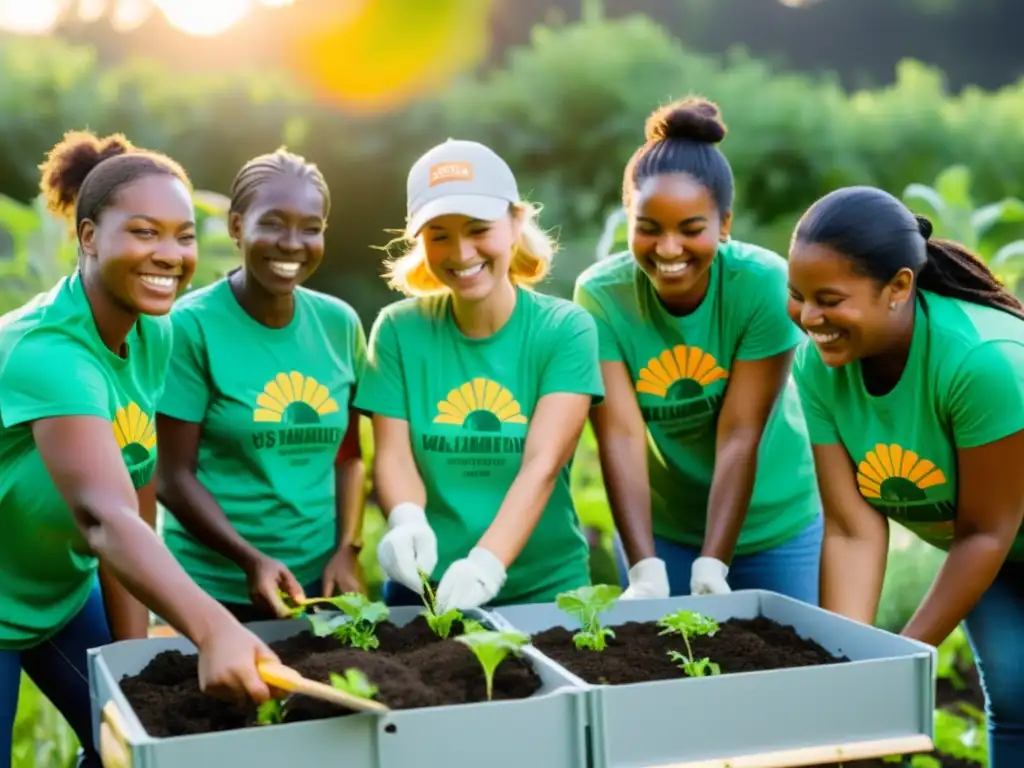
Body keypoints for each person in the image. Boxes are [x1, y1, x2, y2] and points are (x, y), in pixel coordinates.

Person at [0, 131, 278, 768]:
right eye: (145, 232)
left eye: (183, 235)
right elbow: (104, 517)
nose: (171, 254)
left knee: (134, 741)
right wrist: (213, 627)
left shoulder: (155, 333)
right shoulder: (46, 353)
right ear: (90, 235)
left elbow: (136, 481)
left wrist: (134, 668)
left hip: (59, 594)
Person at [787, 185, 1024, 767]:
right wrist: (845, 666)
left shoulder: (980, 360)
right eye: (798, 297)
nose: (810, 318)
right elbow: (851, 529)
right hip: (987, 546)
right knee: (1015, 692)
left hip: (989, 533)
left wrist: (894, 664)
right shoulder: (820, 367)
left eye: (830, 298)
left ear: (898, 287)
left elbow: (987, 530)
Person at [573, 97, 823, 601]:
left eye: (691, 230)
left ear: (724, 224)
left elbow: (740, 432)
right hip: (664, 532)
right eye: (648, 228)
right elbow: (619, 435)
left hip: (778, 523)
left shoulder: (763, 284)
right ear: (628, 219)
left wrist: (714, 562)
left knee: (793, 671)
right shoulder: (601, 297)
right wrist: (644, 567)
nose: (668, 249)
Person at [355, 139, 604, 612]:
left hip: (544, 591)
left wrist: (488, 562)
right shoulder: (398, 330)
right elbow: (393, 455)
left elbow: (543, 464)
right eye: (438, 235)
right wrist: (407, 520)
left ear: (515, 224)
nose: (461, 252)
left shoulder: (565, 329)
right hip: (424, 591)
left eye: (477, 229)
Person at [156, 148, 367, 623]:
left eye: (311, 228)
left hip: (317, 584)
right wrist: (249, 559)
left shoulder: (340, 324)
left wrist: (347, 549)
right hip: (212, 589)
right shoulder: (190, 328)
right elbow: (172, 477)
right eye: (273, 223)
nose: (292, 243)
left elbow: (349, 456)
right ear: (235, 226)